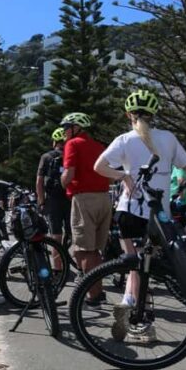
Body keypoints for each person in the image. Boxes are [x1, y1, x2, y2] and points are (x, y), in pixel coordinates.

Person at [94, 90, 186, 342]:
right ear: (153, 114)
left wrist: (123, 176)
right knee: (146, 268)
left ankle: (128, 302)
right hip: (158, 217)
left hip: (128, 211)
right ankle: (142, 323)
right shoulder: (168, 138)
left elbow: (99, 167)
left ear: (129, 115)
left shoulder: (124, 139)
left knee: (134, 266)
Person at [59, 112, 111, 305]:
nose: (64, 132)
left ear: (76, 128)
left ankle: (93, 295)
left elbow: (68, 175)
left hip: (84, 199)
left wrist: (62, 181)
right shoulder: (99, 146)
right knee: (96, 250)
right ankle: (100, 291)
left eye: (66, 128)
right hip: (105, 199)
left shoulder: (72, 144)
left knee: (82, 250)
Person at [36, 127, 71, 274]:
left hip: (53, 200)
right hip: (70, 198)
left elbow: (39, 181)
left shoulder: (46, 157)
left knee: (56, 234)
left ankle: (58, 268)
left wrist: (41, 201)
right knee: (73, 234)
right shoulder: (71, 155)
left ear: (54, 142)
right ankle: (80, 266)